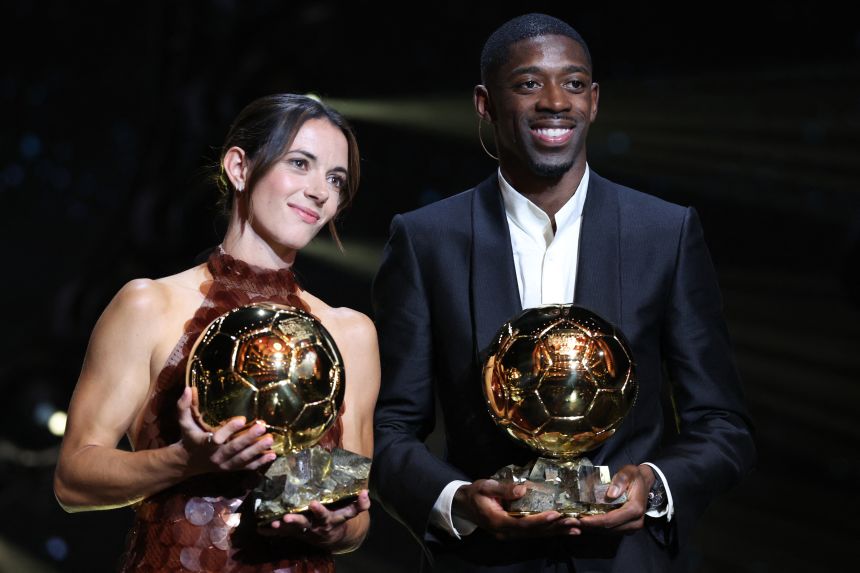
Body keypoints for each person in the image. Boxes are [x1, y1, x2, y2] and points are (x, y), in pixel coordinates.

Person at [371, 13, 756, 572]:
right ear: (485, 104)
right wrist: (458, 501)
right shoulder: (427, 239)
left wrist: (654, 484)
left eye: (573, 83)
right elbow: (389, 429)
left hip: (624, 560)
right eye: (528, 84)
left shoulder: (663, 232)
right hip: (487, 561)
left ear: (594, 101)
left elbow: (723, 425)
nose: (555, 101)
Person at [53, 93, 380, 572]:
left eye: (336, 179)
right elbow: (73, 480)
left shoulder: (350, 333)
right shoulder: (150, 304)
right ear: (239, 168)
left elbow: (352, 518)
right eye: (300, 163)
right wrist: (184, 461)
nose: (320, 191)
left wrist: (332, 525)